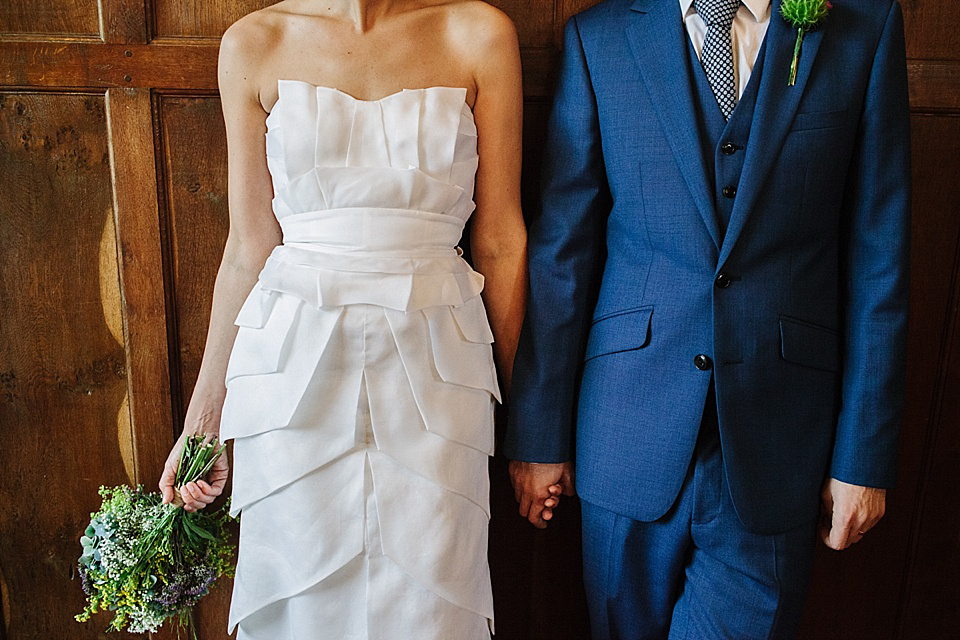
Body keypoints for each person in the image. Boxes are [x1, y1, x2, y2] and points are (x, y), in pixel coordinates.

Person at [506, 0, 910, 638]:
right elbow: (564, 255)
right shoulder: (599, 39)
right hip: (625, 433)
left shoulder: (864, 29)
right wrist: (539, 435)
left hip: (778, 448)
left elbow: (878, 257)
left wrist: (863, 456)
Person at [157, 1, 526, 638]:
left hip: (439, 377)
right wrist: (203, 421)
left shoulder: (478, 33)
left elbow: (500, 239)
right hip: (292, 387)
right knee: (300, 602)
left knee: (434, 599)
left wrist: (532, 419)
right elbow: (249, 247)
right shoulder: (254, 43)